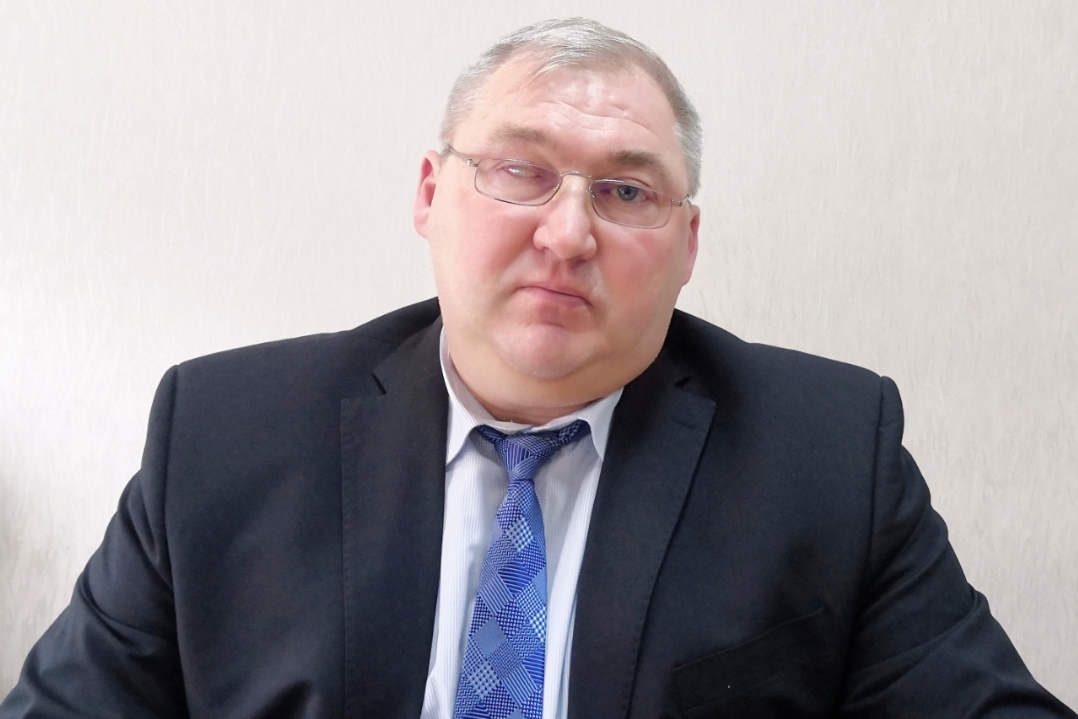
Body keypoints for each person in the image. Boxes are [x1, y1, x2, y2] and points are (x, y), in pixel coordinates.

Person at [1, 17, 1074, 719]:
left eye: (625, 192)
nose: (567, 233)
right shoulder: (225, 433)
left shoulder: (825, 453)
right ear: (430, 194)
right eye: (519, 170)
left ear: (687, 245)